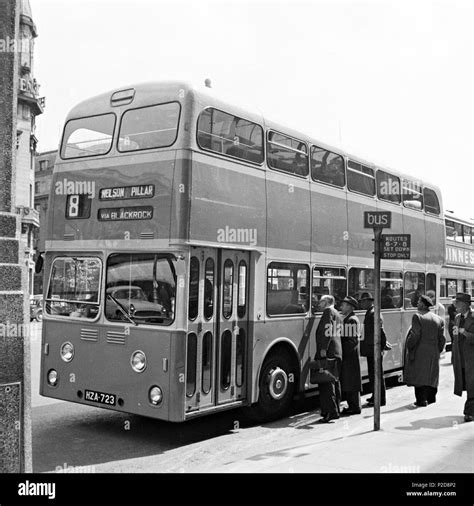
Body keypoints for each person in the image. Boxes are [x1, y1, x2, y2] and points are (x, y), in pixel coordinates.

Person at [404, 295, 445, 407]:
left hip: (419, 351)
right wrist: (437, 350)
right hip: (433, 352)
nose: (417, 304)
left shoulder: (417, 317)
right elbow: (442, 339)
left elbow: (415, 335)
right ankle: (431, 398)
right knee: (432, 374)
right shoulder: (438, 319)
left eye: (418, 302)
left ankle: (421, 400)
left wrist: (409, 345)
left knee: (419, 376)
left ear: (423, 304)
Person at [314, 295, 343, 423]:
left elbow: (328, 330)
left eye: (321, 301)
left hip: (328, 351)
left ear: (327, 302)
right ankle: (335, 409)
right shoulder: (337, 312)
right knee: (334, 381)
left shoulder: (328, 311)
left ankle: (330, 412)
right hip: (336, 351)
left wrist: (323, 348)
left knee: (326, 383)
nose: (319, 304)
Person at [359, 292, 387, 407]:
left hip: (374, 349)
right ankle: (375, 396)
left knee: (376, 374)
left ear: (368, 301)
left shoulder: (373, 312)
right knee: (373, 374)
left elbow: (380, 331)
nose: (361, 304)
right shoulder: (371, 312)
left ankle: (380, 399)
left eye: (362, 302)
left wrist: (382, 346)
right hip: (372, 348)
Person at [451, 292, 474, 422]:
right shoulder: (458, 317)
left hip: (471, 358)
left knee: (472, 385)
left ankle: (470, 412)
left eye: (458, 303)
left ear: (465, 305)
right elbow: (454, 335)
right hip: (461, 358)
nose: (455, 305)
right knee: (466, 384)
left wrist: (465, 333)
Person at [339, 296, 362, 415]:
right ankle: (353, 405)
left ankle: (354, 407)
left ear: (349, 307)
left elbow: (351, 340)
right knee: (350, 380)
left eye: (343, 305)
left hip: (349, 356)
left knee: (350, 381)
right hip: (350, 355)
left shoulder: (351, 320)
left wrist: (342, 351)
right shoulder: (349, 318)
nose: (341, 307)